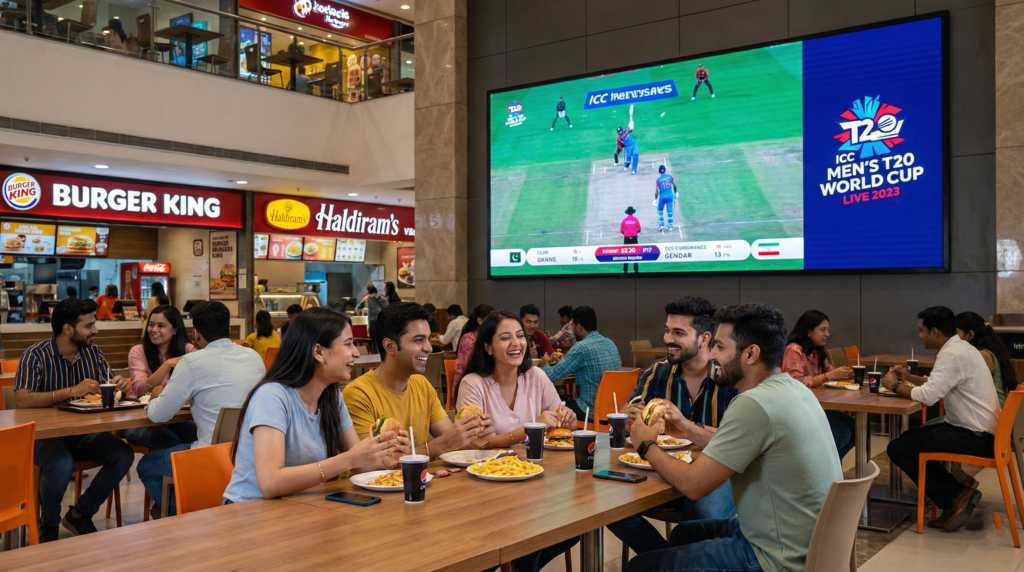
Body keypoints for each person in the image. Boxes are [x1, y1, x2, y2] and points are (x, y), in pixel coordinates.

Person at [625, 304, 842, 572]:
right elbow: (738, 447)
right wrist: (688, 428)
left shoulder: (754, 404)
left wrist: (646, 445)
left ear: (751, 354)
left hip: (774, 558)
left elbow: (694, 485)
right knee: (683, 536)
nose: (712, 354)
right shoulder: (796, 390)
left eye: (720, 347)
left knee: (640, 567)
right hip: (805, 542)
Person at [224, 308, 408, 503]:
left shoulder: (332, 396)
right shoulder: (272, 396)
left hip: (298, 508)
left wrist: (385, 460)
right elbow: (270, 484)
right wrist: (348, 459)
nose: (356, 353)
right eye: (348, 344)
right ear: (319, 351)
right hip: (248, 511)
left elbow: (359, 464)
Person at [609, 297, 738, 555]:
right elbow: (625, 423)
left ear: (704, 339)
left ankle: (676, 561)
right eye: (667, 330)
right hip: (658, 470)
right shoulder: (658, 372)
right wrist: (623, 418)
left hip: (715, 474)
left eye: (678, 333)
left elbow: (734, 442)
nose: (668, 339)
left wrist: (689, 426)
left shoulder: (728, 377)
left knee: (704, 508)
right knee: (608, 503)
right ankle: (667, 560)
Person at [456, 310, 580, 571]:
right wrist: (528, 430)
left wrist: (567, 419)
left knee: (576, 524)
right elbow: (473, 445)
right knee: (529, 531)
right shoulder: (474, 384)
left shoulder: (536, 376)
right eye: (505, 338)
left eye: (520, 336)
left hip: (536, 481)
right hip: (489, 490)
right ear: (488, 347)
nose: (516, 343)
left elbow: (561, 424)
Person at [13, 298, 134, 542]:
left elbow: (109, 386)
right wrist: (70, 391)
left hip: (83, 431)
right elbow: (22, 400)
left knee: (122, 454)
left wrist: (121, 385)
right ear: (68, 329)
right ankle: (48, 526)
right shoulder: (35, 355)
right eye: (89, 326)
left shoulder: (93, 353)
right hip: (43, 436)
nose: (95, 331)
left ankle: (80, 513)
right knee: (60, 463)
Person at [139, 301, 265, 516]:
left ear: (196, 333)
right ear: (228, 328)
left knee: (146, 466)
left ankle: (179, 515)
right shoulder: (253, 357)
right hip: (252, 452)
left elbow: (159, 415)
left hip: (212, 455)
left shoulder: (192, 362)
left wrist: (154, 398)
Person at [884, 306, 1001, 532]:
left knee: (899, 448)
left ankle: (957, 495)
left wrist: (895, 386)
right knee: (907, 440)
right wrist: (908, 379)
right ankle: (955, 495)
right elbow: (935, 387)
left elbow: (928, 397)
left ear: (935, 331)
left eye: (921, 330)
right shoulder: (962, 348)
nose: (920, 335)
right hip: (979, 431)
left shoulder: (951, 354)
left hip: (973, 436)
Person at [343, 303, 494, 459]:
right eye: (419, 340)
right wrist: (439, 446)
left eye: (427, 339)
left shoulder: (421, 384)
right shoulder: (358, 394)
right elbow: (370, 462)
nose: (428, 348)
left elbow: (452, 439)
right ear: (389, 346)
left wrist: (478, 439)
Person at [782, 310, 856, 460]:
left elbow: (828, 371)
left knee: (857, 429)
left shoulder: (817, 350)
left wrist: (844, 374)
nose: (827, 334)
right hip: (798, 409)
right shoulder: (794, 349)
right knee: (842, 433)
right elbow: (795, 382)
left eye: (827, 330)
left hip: (816, 404)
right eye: (823, 330)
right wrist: (828, 376)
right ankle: (820, 467)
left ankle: (830, 468)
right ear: (808, 331)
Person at [125, 305, 197, 452]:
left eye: (161, 326)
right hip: (142, 421)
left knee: (198, 436)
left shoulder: (188, 350)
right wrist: (167, 365)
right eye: (151, 325)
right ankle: (162, 473)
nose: (154, 330)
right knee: (172, 443)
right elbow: (140, 389)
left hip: (176, 419)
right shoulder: (138, 351)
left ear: (175, 329)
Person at [541, 305, 620, 421]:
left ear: (579, 327)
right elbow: (591, 368)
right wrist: (565, 361)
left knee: (550, 411)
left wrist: (545, 363)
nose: (572, 330)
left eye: (572, 326)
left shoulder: (581, 347)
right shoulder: (610, 343)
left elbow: (550, 376)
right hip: (614, 410)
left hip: (589, 411)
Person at [955, 311, 1019, 405]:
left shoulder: (982, 355)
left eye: (955, 333)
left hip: (990, 415)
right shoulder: (990, 351)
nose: (951, 338)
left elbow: (956, 381)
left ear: (971, 335)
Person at [453, 303, 495, 395]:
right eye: (491, 320)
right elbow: (468, 367)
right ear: (480, 321)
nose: (495, 324)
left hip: (481, 380)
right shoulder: (467, 339)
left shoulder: (485, 337)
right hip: (466, 384)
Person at [356, 285, 388, 353]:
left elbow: (357, 309)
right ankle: (382, 353)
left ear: (368, 291)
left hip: (373, 321)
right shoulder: (383, 298)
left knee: (373, 339)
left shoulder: (367, 298)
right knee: (382, 338)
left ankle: (375, 354)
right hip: (382, 321)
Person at [655, 165, 678, 233]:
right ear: (665, 170)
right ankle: (670, 227)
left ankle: (661, 225)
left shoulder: (658, 180)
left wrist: (655, 199)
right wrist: (675, 193)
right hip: (670, 196)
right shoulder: (670, 176)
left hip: (662, 197)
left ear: (659, 171)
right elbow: (675, 185)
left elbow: (657, 191)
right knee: (669, 211)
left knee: (660, 211)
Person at [620, 206, 641, 274]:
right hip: (634, 239)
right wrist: (634, 232)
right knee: (635, 254)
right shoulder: (635, 220)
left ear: (627, 213)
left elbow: (621, 230)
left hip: (626, 239)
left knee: (626, 255)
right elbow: (639, 229)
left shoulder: (624, 220)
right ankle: (636, 270)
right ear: (632, 212)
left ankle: (625, 270)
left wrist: (626, 233)